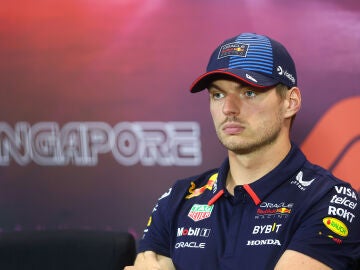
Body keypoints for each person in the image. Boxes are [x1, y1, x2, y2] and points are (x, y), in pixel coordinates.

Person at [125, 32, 360, 269]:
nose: (228, 108)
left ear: (290, 102)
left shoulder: (329, 199)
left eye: (249, 92)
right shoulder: (178, 197)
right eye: (218, 94)